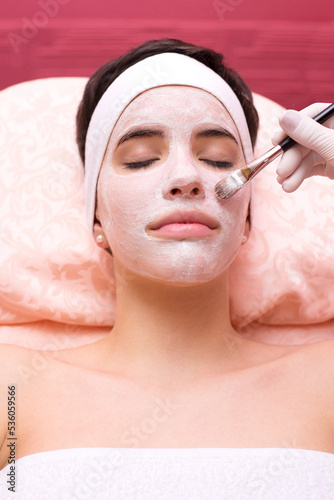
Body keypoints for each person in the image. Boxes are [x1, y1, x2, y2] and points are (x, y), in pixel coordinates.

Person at [0, 38, 333, 499]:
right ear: (96, 218)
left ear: (247, 220)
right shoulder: (12, 389)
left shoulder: (325, 380)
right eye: (141, 159)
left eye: (217, 158)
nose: (186, 178)